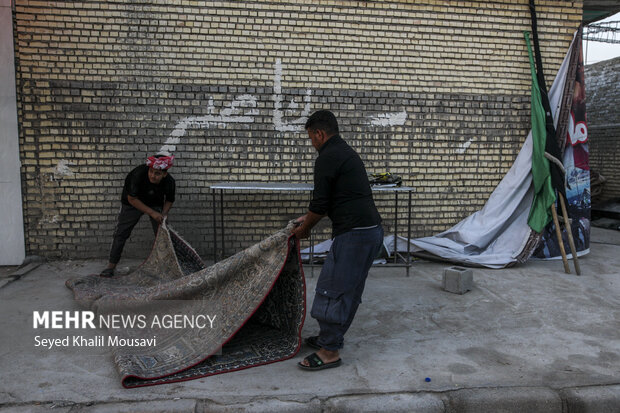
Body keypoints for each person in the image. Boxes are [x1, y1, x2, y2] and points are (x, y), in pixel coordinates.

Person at [293, 110, 383, 371]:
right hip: (370, 231)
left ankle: (329, 351)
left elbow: (320, 205)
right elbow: (333, 199)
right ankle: (329, 338)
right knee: (348, 291)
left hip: (354, 235)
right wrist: (306, 217)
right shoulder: (345, 151)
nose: (312, 143)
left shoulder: (327, 157)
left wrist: (305, 229)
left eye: (311, 138)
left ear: (319, 133)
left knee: (332, 290)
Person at [100, 153, 176, 277]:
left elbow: (169, 200)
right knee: (121, 233)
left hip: (155, 203)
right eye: (151, 172)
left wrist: (163, 214)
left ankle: (167, 265)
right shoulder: (138, 174)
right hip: (132, 203)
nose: (153, 176)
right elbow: (132, 199)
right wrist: (152, 213)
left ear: (164, 174)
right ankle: (111, 266)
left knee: (163, 233)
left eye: (157, 174)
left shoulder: (169, 182)